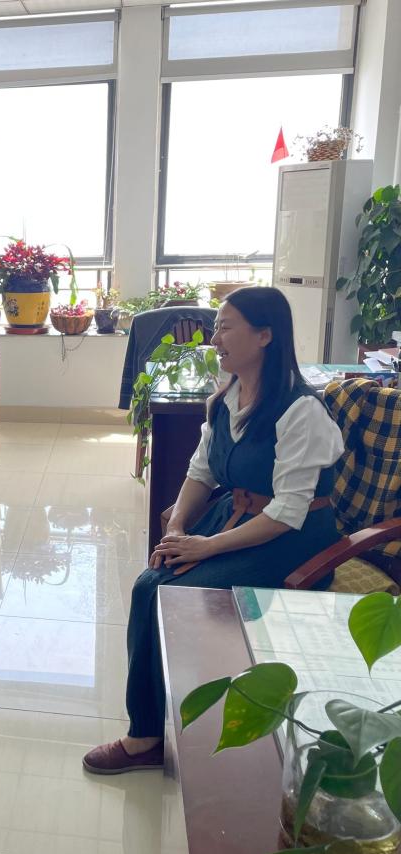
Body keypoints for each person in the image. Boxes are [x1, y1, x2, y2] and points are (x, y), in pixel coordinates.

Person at [82, 287, 344, 774]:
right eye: (217, 328)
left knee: (167, 591)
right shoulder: (227, 399)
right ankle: (148, 729)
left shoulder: (300, 411)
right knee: (149, 582)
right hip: (238, 518)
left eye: (226, 327)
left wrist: (205, 546)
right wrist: (179, 525)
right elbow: (200, 472)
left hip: (292, 539)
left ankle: (151, 735)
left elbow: (287, 512)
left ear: (265, 336)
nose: (215, 338)